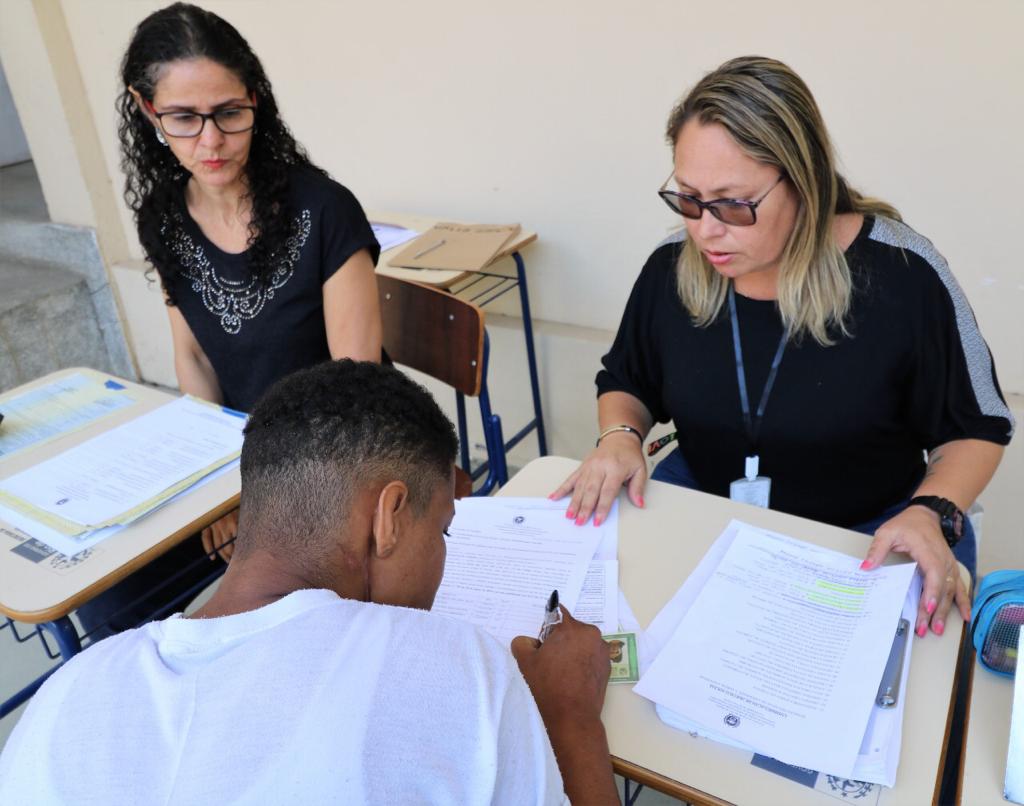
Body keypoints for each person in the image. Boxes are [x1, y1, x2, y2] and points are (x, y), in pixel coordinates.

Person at [0, 361, 619, 806]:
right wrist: (569, 717)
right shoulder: (457, 667)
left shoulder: (64, 697)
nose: (444, 557)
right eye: (444, 532)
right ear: (388, 516)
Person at [553, 56, 1013, 641]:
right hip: (707, 519)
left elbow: (976, 428)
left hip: (868, 536)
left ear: (804, 182)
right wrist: (619, 438)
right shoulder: (673, 268)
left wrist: (930, 512)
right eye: (689, 199)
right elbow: (626, 380)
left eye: (732, 204)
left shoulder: (903, 275)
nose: (705, 230)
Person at [78, 3, 382, 637]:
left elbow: (355, 390)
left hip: (337, 459)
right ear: (146, 109)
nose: (211, 141)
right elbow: (192, 359)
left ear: (255, 101)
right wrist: (220, 486)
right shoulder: (163, 217)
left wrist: (251, 491)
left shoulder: (323, 211)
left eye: (229, 114)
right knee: (111, 604)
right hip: (233, 463)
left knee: (273, 610)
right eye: (185, 119)